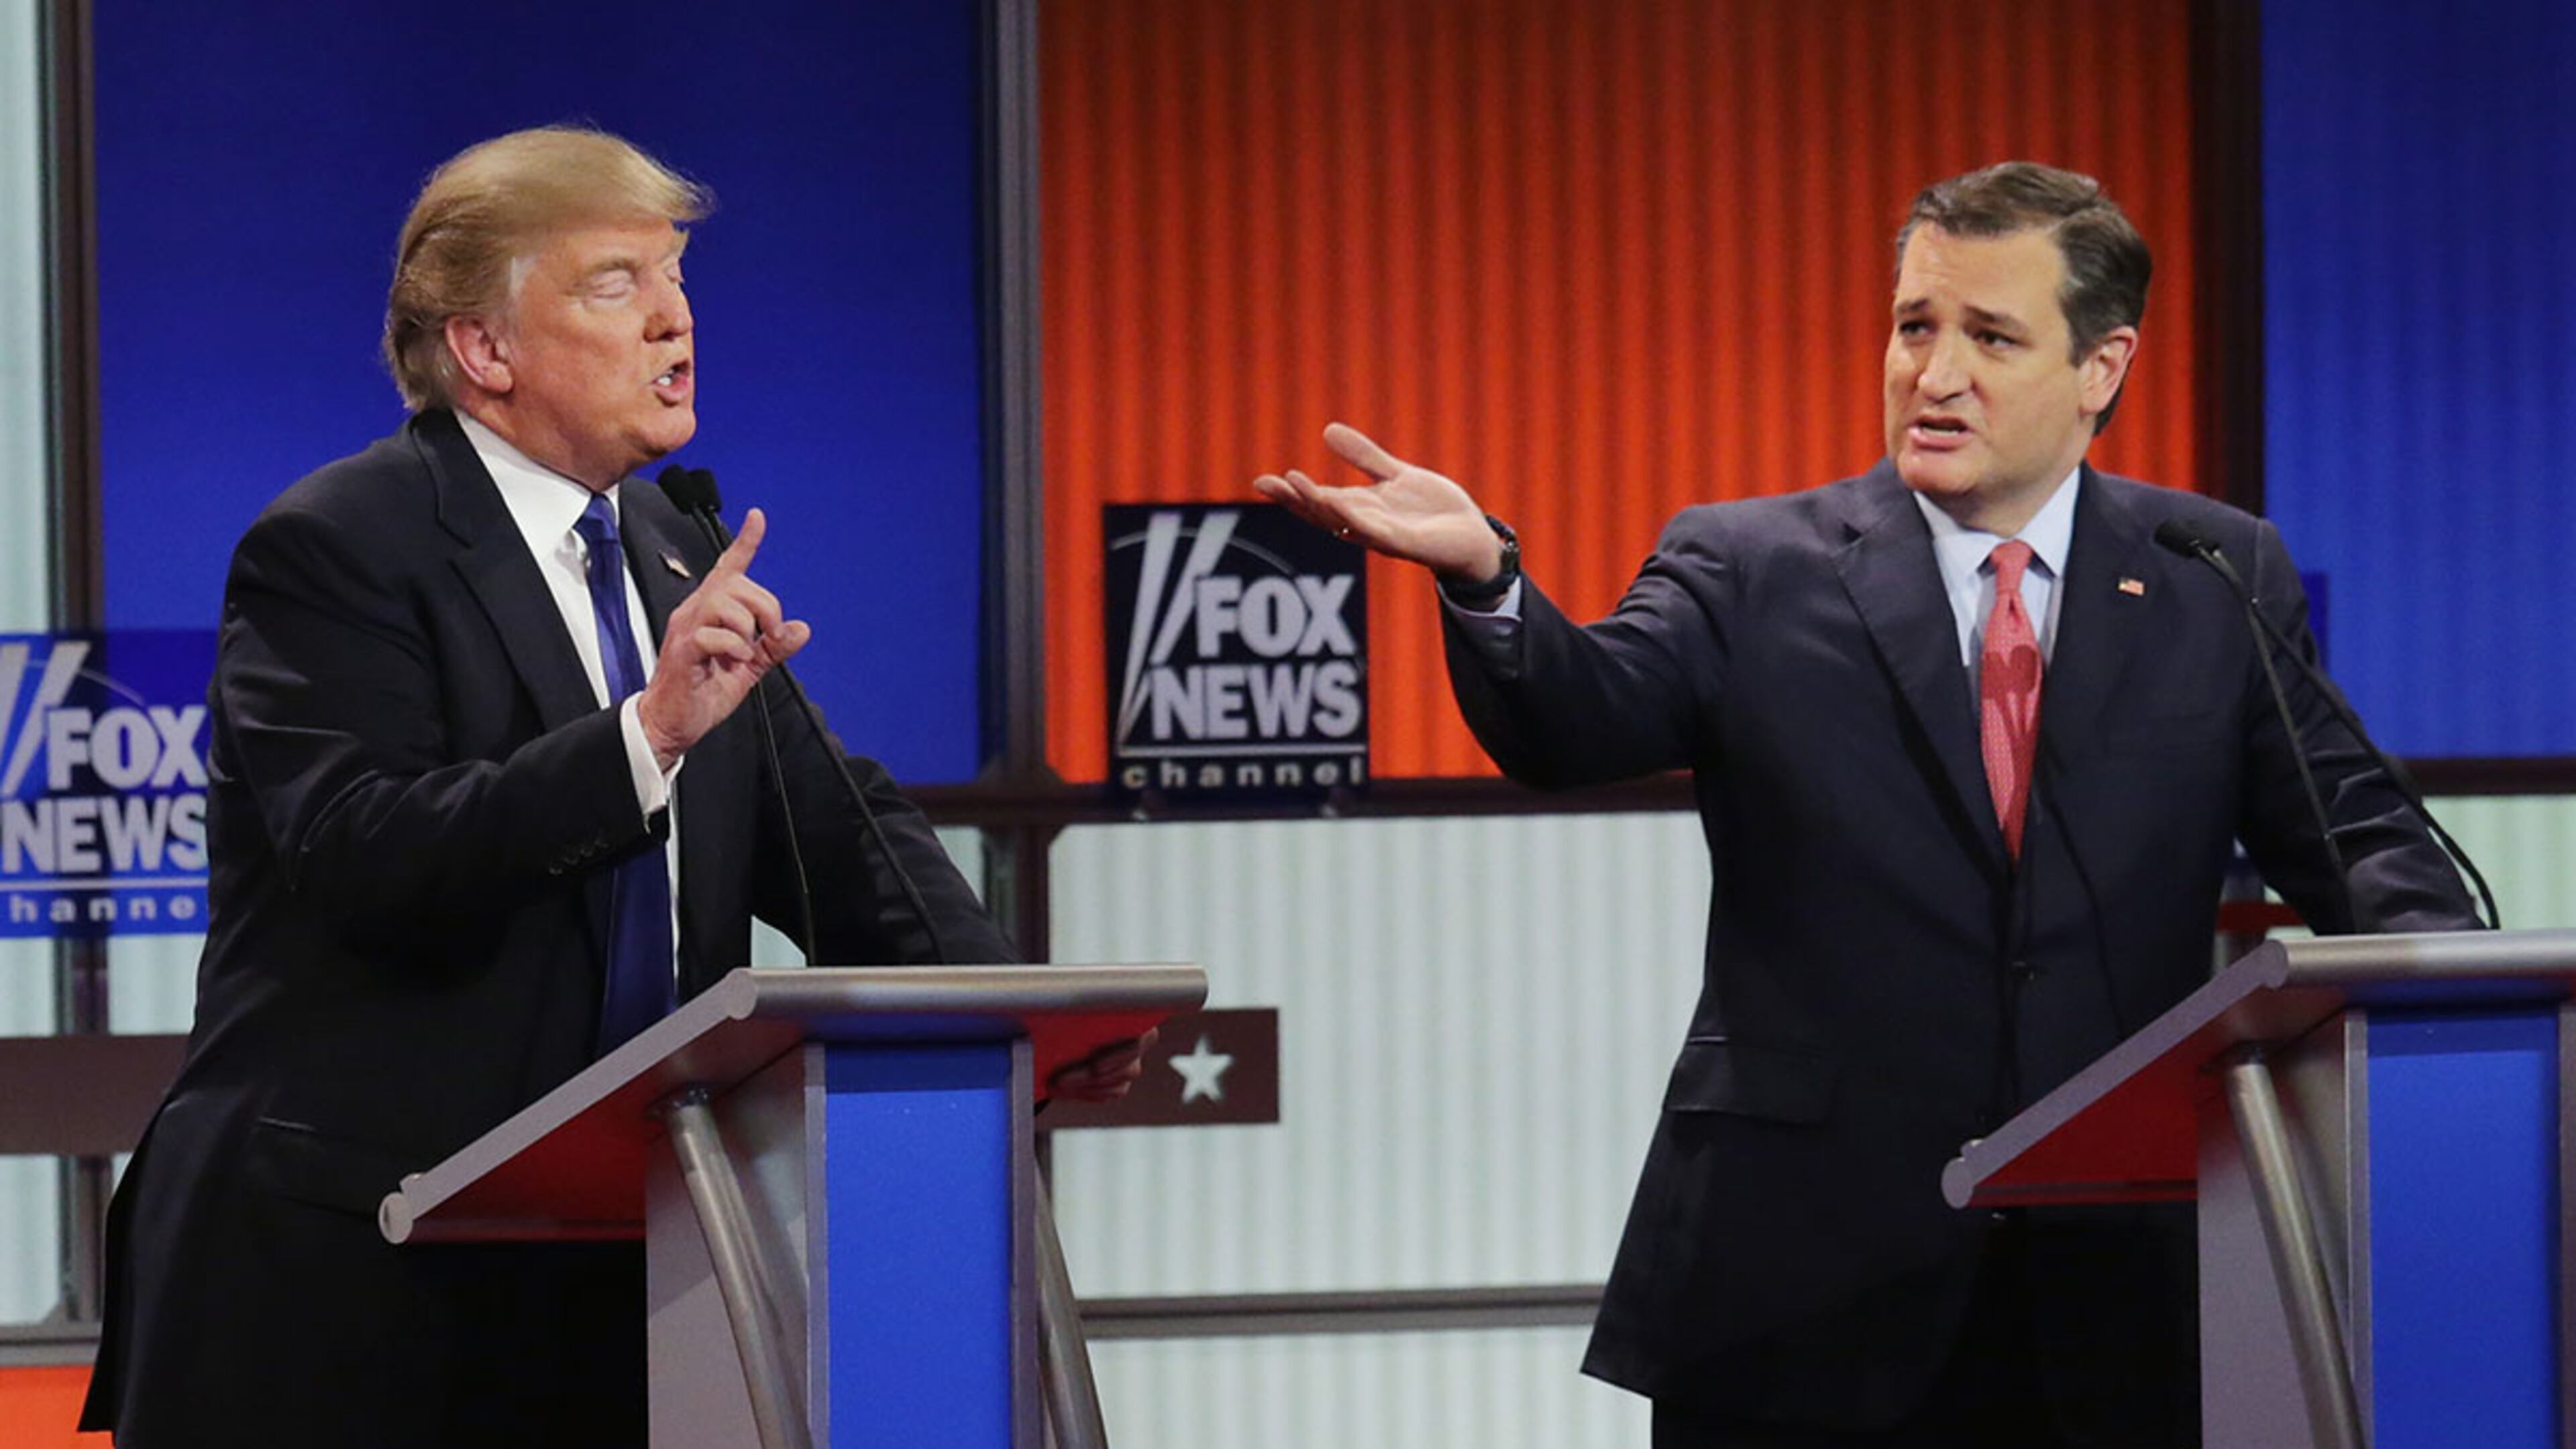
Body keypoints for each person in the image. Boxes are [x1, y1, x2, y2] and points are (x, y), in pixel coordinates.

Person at [1256, 162, 2477, 1447]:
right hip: (1802, 1284)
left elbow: (2358, 834)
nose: (1933, 373)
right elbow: (1578, 719)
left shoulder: (2211, 572)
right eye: (1915, 325)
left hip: (2118, 1283)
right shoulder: (1752, 563)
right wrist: (1490, 579)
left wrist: (2464, 1014)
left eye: (1991, 336)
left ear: (2101, 370)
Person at [82, 126, 1144, 1447]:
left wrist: (1019, 1024)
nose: (672, 318)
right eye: (614, 283)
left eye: (677, 277)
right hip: (354, 1289)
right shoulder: (340, 546)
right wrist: (643, 736)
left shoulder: (668, 542)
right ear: (485, 349)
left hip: (620, 1272)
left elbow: (834, 826)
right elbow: (367, 853)